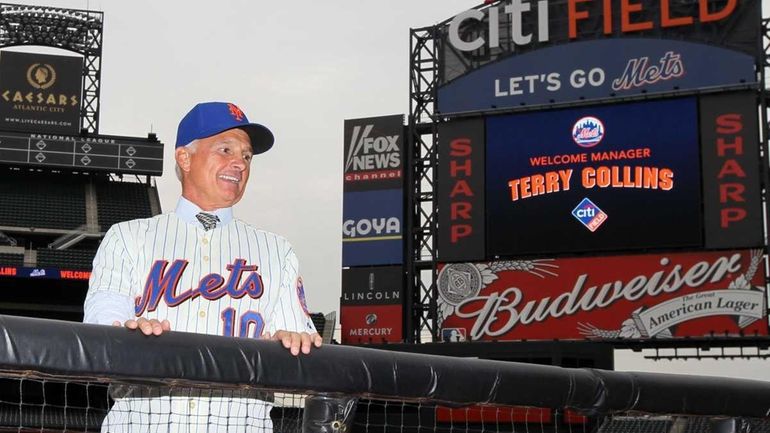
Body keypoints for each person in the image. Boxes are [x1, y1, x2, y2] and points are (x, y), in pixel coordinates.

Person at [83, 101, 322, 432]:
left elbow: (305, 388)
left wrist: (289, 355)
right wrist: (127, 334)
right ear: (184, 158)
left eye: (247, 156)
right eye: (225, 149)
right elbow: (99, 332)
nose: (239, 163)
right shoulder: (128, 237)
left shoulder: (277, 251)